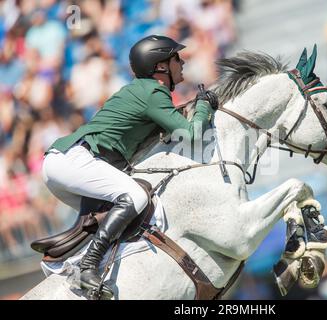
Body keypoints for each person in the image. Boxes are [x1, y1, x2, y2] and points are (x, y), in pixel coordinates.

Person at [41, 35, 218, 298]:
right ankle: (89, 264)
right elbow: (192, 135)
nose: (182, 62)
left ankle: (74, 265)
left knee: (118, 215)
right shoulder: (153, 91)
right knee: (135, 196)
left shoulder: (143, 91)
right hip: (74, 160)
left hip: (64, 163)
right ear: (160, 67)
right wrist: (203, 105)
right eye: (176, 58)